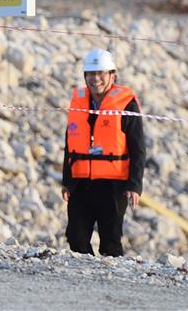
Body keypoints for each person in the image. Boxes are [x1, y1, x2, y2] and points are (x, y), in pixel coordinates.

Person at [62, 49, 146, 256]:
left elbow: (138, 147)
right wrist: (67, 181)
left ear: (112, 75)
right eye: (90, 73)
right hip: (82, 182)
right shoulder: (79, 103)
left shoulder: (127, 104)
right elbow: (69, 144)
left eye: (100, 73)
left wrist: (134, 185)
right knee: (75, 237)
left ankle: (111, 278)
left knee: (110, 242)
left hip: (113, 185)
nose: (95, 78)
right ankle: (87, 278)